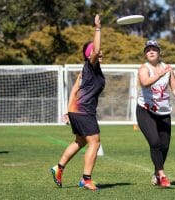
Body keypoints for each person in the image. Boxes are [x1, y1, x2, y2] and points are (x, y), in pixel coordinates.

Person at [50, 14, 104, 191]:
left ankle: (58, 167)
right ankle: (86, 179)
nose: (100, 52)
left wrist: (68, 110)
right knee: (94, 142)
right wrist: (97, 28)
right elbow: (95, 52)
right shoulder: (91, 65)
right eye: (96, 51)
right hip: (83, 110)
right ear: (90, 55)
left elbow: (74, 89)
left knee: (80, 141)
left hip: (77, 109)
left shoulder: (89, 70)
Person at [136, 40, 175, 188]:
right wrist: (159, 74)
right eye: (148, 50)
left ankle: (156, 173)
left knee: (164, 146)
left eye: (154, 49)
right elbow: (145, 82)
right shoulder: (144, 68)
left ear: (159, 52)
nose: (151, 51)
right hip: (145, 111)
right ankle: (162, 175)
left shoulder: (167, 68)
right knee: (155, 142)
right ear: (145, 54)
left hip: (164, 112)